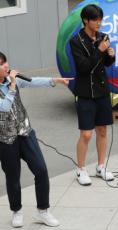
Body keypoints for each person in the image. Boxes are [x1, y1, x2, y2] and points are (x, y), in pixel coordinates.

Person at [0, 52, 71, 228]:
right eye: (1, 65)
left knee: (41, 170)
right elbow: (5, 107)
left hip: (25, 133)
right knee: (13, 177)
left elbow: (33, 81)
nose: (5, 66)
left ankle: (43, 211)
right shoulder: (12, 84)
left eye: (5, 62)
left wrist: (54, 81)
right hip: (6, 140)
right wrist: (13, 86)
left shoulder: (12, 80)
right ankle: (17, 211)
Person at [69, 4, 115, 186]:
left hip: (102, 90)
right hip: (85, 92)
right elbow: (84, 67)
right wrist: (100, 50)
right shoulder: (75, 41)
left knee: (102, 130)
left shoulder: (103, 37)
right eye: (95, 19)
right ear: (85, 21)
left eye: (100, 19)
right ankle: (81, 169)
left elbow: (106, 64)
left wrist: (110, 55)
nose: (99, 23)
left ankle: (101, 166)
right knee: (86, 134)